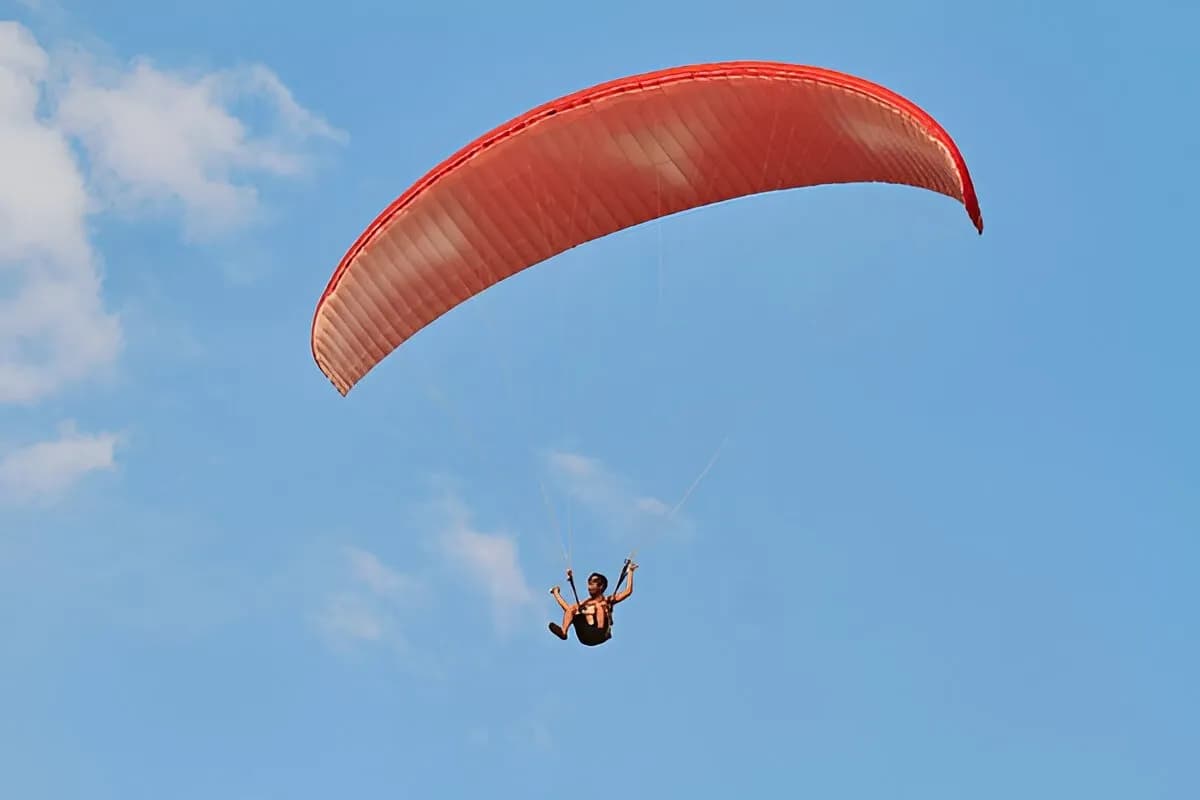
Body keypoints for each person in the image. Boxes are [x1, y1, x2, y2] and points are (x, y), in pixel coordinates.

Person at [548, 563, 637, 646]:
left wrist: (630, 572)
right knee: (572, 609)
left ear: (601, 586)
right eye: (589, 583)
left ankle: (600, 629)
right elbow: (568, 610)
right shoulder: (584, 603)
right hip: (585, 635)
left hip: (600, 635)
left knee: (600, 606)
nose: (589, 586)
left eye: (592, 583)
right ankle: (563, 632)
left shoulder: (608, 600)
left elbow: (628, 591)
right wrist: (556, 593)